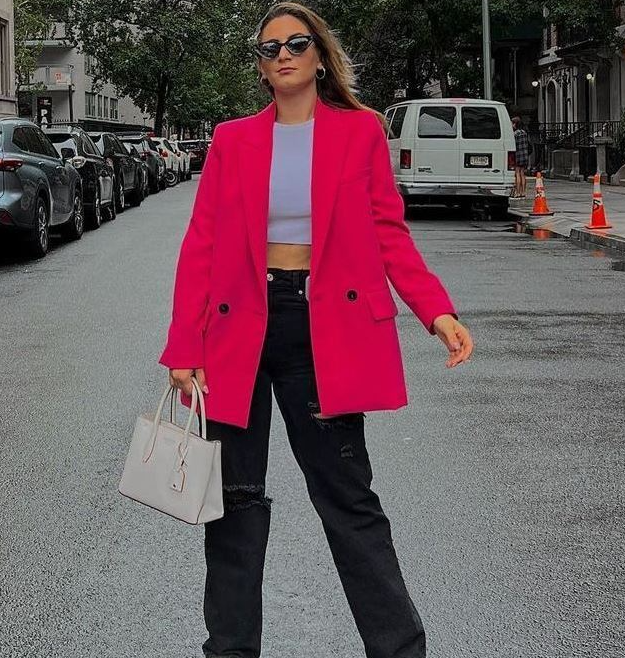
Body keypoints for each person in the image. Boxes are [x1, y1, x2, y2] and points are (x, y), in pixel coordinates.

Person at [158, 2, 474, 657]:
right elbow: (202, 244)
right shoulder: (232, 139)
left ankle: (400, 649)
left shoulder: (359, 133)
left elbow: (388, 232)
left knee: (348, 501)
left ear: (320, 55)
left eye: (296, 43)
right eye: (269, 47)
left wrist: (435, 311)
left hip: (322, 327)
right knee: (234, 506)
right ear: (261, 66)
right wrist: (184, 345)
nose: (283, 54)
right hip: (237, 332)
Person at [512, 116, 529, 198]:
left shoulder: (515, 134)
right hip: (525, 155)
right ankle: (523, 192)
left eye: (512, 123)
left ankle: (518, 192)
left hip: (518, 155)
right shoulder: (524, 132)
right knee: (523, 174)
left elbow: (513, 145)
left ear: (515, 124)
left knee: (517, 173)